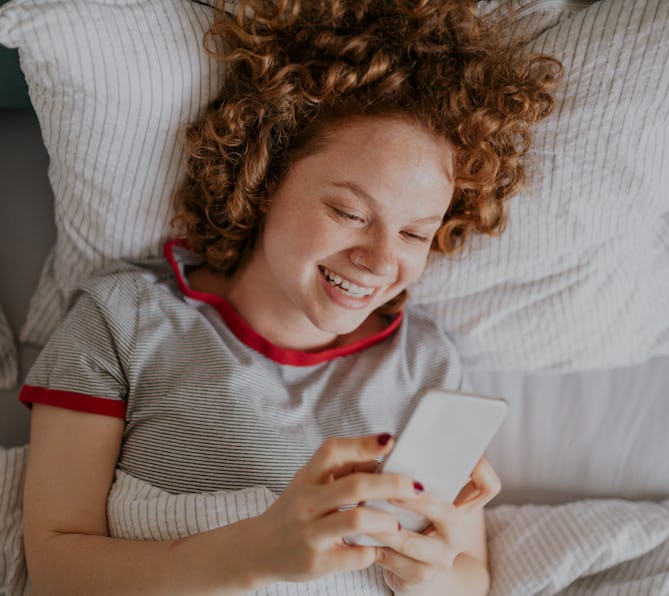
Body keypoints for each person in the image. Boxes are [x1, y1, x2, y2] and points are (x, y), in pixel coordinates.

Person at [19, 1, 561, 594]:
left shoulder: (427, 363)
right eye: (348, 212)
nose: (381, 261)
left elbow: (470, 578)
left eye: (413, 233)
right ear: (264, 177)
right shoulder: (120, 319)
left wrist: (426, 574)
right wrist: (253, 553)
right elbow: (54, 568)